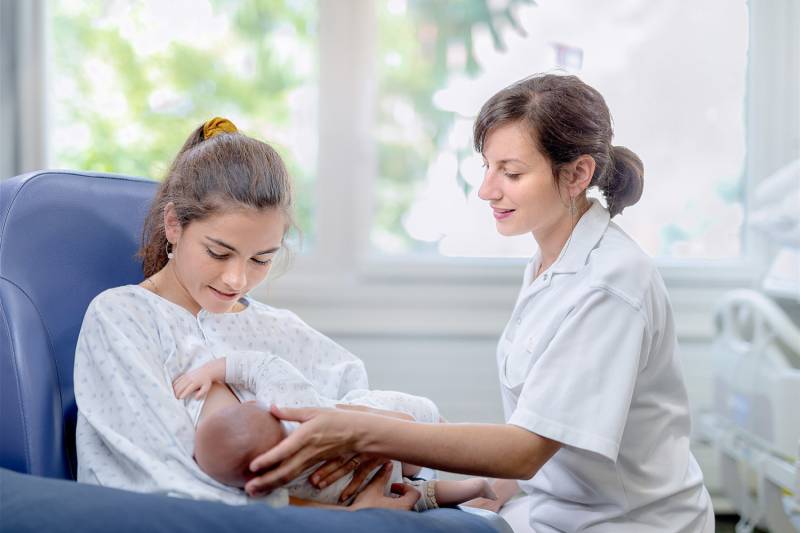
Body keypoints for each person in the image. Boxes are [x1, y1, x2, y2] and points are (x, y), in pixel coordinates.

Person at [241, 74, 715, 532]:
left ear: (577, 175)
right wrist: (458, 488)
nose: (487, 189)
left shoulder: (609, 284)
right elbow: (551, 423)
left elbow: (525, 449)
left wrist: (353, 430)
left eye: (510, 172)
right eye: (487, 167)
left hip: (628, 523)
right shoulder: (554, 260)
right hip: (553, 507)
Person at [73, 117, 426, 510]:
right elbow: (161, 479)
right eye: (218, 253)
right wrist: (343, 513)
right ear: (174, 224)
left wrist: (369, 437)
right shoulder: (123, 318)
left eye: (261, 259)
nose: (236, 279)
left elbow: (367, 400)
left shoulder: (279, 329)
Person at [172, 353, 497, 510]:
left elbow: (292, 506)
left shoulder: (269, 489)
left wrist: (356, 511)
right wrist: (212, 369)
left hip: (383, 481)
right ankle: (479, 484)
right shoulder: (287, 402)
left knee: (423, 493)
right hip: (388, 460)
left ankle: (474, 486)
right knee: (415, 424)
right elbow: (263, 366)